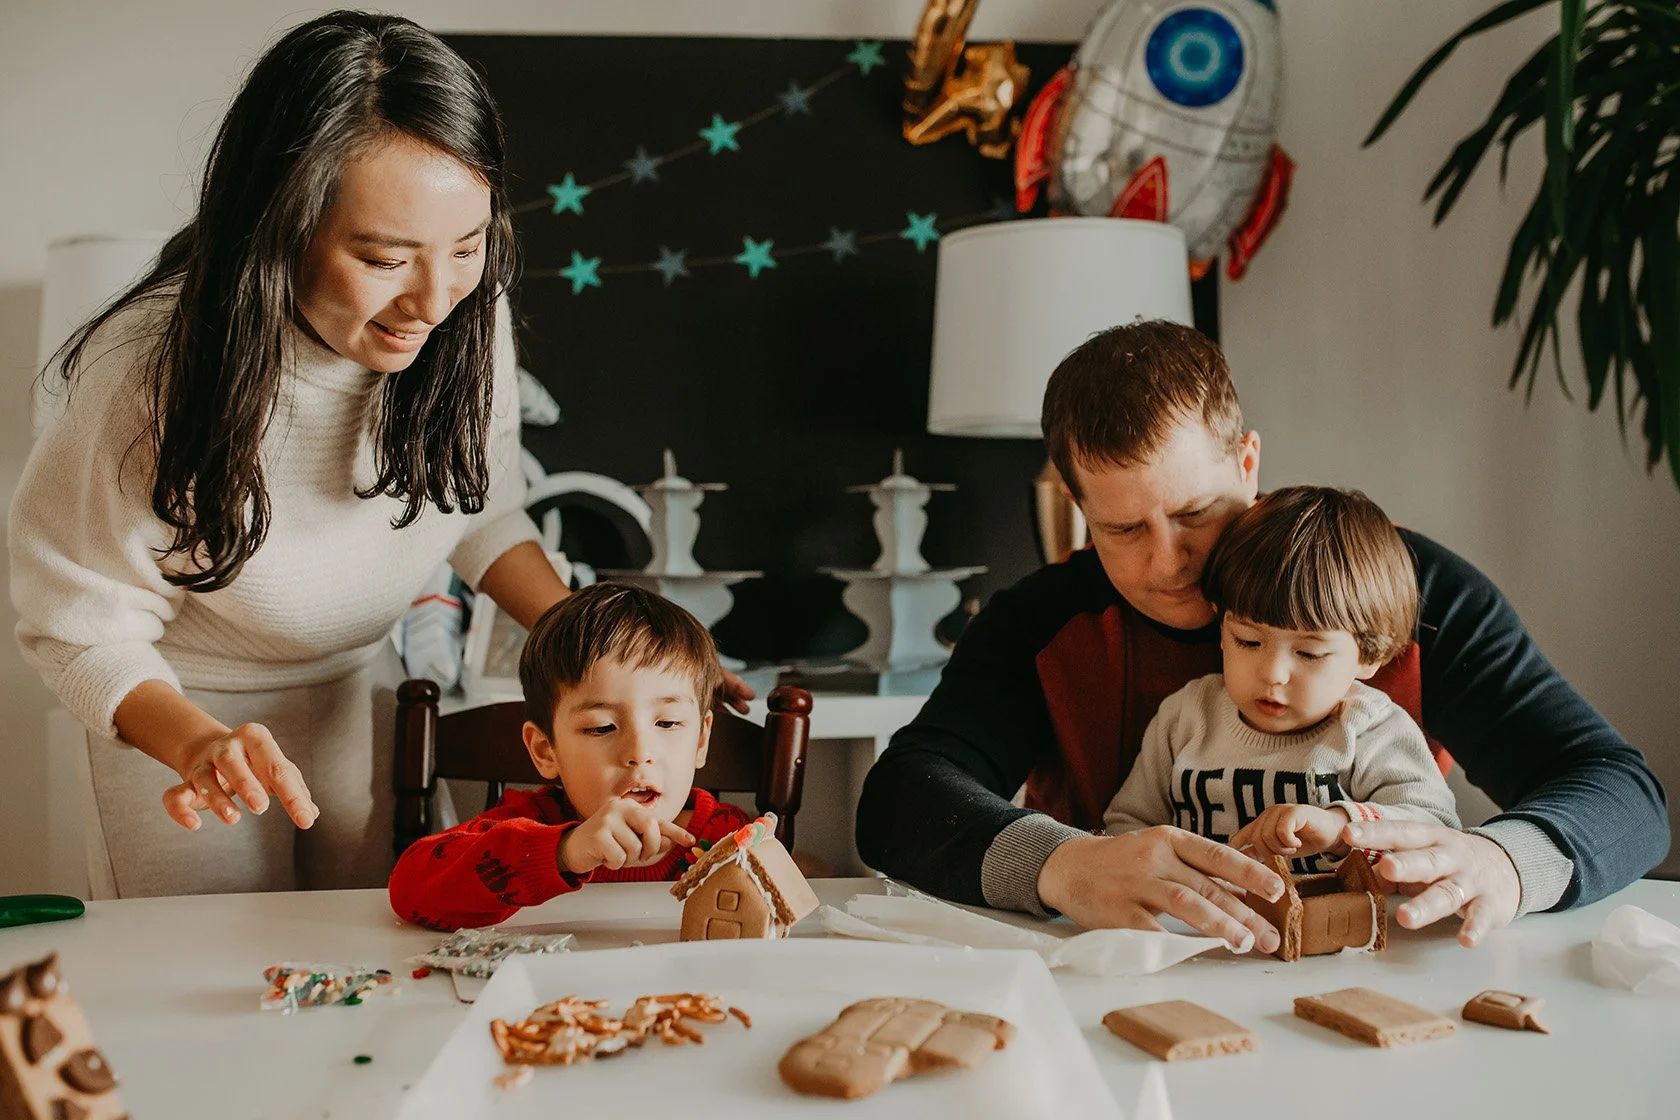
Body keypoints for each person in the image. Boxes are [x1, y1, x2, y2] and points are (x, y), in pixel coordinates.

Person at [7, 11, 749, 898]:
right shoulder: (147, 373)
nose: (433, 301)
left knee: (374, 948)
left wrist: (618, 659)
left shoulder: (466, 315)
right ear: (275, 228)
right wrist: (197, 744)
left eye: (467, 249)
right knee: (212, 978)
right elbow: (79, 627)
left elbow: (479, 509)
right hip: (182, 707)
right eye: (384, 257)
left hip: (363, 687)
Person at [856, 319, 1668, 953]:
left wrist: (1501, 862)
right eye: (1122, 530)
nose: (1168, 564)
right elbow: (901, 800)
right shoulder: (1042, 618)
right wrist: (1061, 864)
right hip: (1116, 979)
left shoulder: (1408, 588)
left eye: (1194, 514)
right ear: (1077, 509)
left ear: (1248, 463)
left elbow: (1622, 791)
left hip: (1374, 970)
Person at [1103, 486, 1459, 900]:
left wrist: (1342, 828)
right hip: (1199, 940)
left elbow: (1437, 829)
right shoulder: (1186, 717)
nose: (1272, 673)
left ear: (1369, 655)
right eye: (1248, 642)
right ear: (1220, 628)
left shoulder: (1371, 729)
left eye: (1309, 653)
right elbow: (1127, 826)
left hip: (1342, 949)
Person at [389, 583, 756, 931]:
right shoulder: (530, 825)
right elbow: (408, 890)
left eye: (668, 722)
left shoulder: (726, 837)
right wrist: (564, 853)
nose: (640, 753)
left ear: (700, 740)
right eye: (601, 728)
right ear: (545, 750)